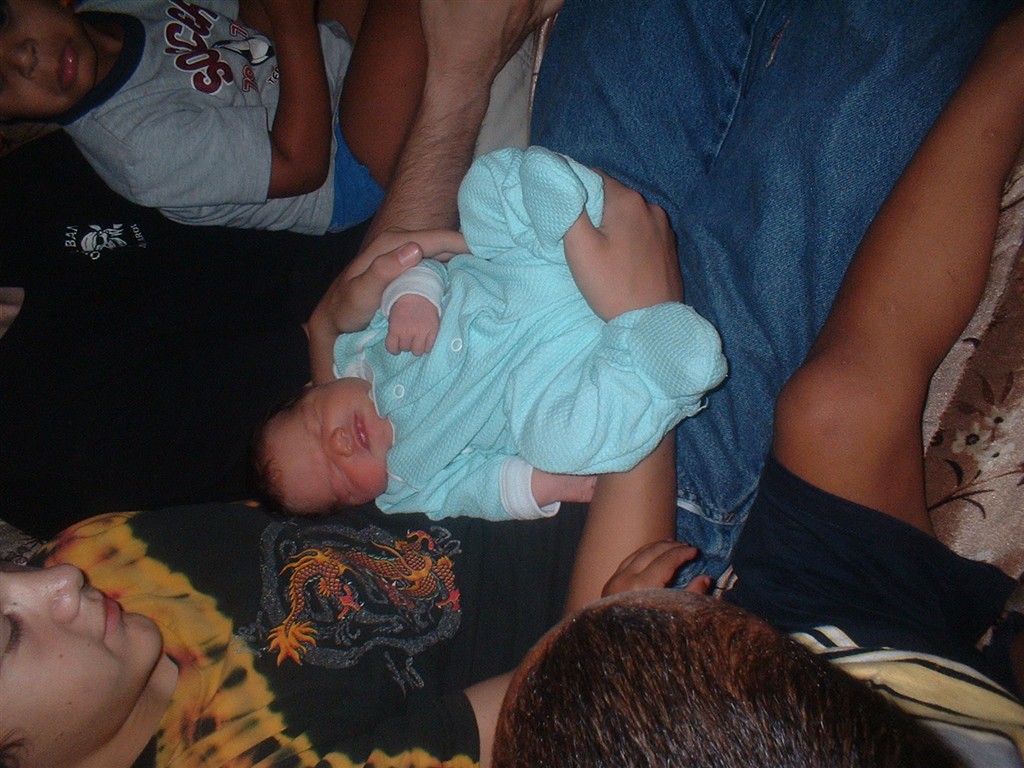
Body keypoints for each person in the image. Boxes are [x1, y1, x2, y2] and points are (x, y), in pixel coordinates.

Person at [494, 8, 1024, 766]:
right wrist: (648, 345)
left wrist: (613, 640)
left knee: (832, 410)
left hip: (587, 544)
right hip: (671, 546)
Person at [527, 0, 1021, 579]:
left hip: (512, 353)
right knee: (876, 48)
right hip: (643, 491)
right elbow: (602, 635)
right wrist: (647, 344)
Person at [254, 146, 726, 521]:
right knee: (554, 444)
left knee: (481, 194)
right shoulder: (409, 487)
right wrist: (546, 485)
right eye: (338, 480)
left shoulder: (358, 350)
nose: (339, 444)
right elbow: (482, 488)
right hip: (557, 369)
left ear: (315, 386)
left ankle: (563, 200)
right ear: (361, 503)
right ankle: (660, 358)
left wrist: (414, 296)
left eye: (315, 424)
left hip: (526, 267)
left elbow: (421, 267)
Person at [0, 0, 425, 233]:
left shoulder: (112, 10)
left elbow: (243, 30)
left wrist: (284, 19)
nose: (22, 58)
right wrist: (293, 21)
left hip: (322, 55)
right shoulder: (138, 150)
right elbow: (302, 167)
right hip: (341, 164)